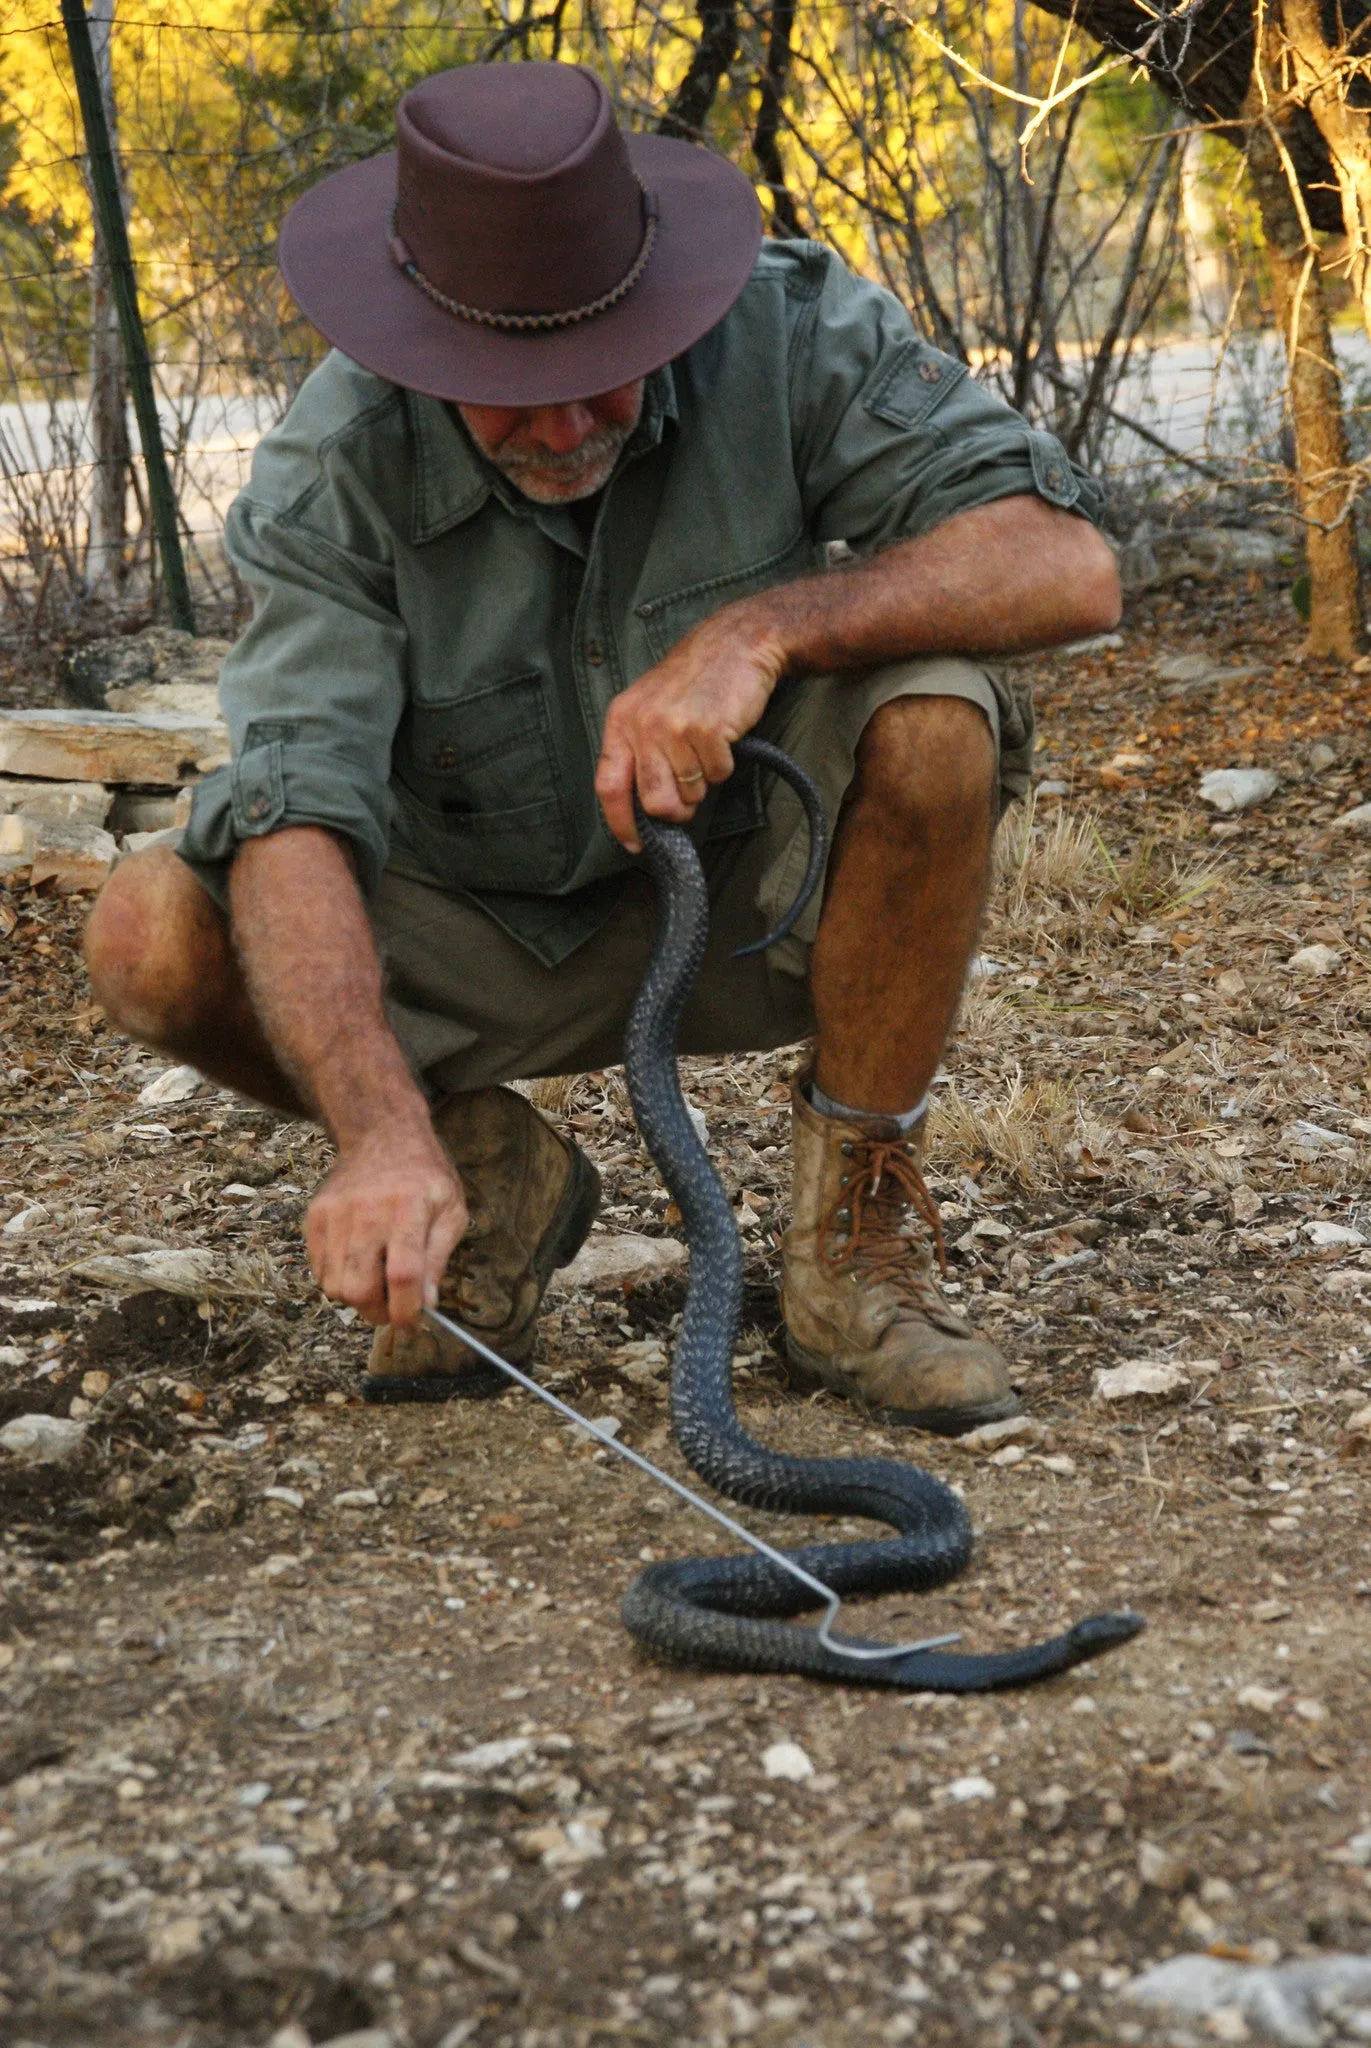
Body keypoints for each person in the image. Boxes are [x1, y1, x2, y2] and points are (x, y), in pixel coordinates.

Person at [84, 62, 1121, 1435]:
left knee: (936, 710)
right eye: (512, 390)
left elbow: (1066, 567)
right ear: (419, 350)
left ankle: (848, 1250)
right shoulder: (330, 468)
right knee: (149, 928)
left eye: (600, 374)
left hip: (753, 900)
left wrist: (764, 631)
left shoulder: (788, 327)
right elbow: (293, 813)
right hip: (482, 929)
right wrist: (373, 1131)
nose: (568, 427)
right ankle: (472, 1165)